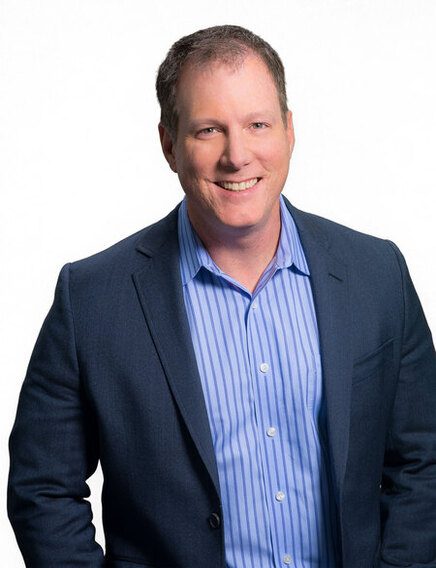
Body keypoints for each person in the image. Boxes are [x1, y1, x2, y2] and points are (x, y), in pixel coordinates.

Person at [7, 24, 436, 568]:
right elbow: (43, 488)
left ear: (289, 130)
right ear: (169, 145)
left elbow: (424, 461)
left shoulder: (377, 273)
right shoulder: (91, 300)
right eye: (209, 130)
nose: (237, 155)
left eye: (258, 125)